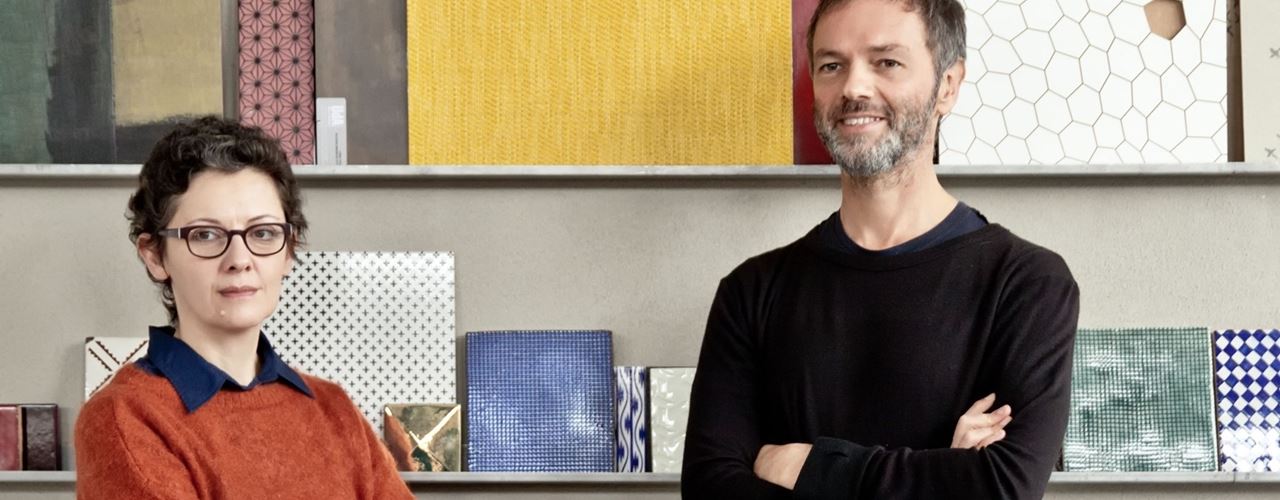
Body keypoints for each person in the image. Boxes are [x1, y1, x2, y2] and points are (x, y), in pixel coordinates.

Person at [681, 0, 1080, 498]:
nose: (854, 88)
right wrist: (941, 473)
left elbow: (1002, 486)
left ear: (948, 85)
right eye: (832, 65)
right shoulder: (750, 292)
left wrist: (811, 467)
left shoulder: (1026, 285)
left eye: (887, 62)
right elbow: (709, 489)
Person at [75, 116, 414, 499]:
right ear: (155, 256)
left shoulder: (334, 407)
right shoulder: (125, 417)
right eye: (205, 234)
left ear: (289, 251)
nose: (239, 259)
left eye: (263, 233)